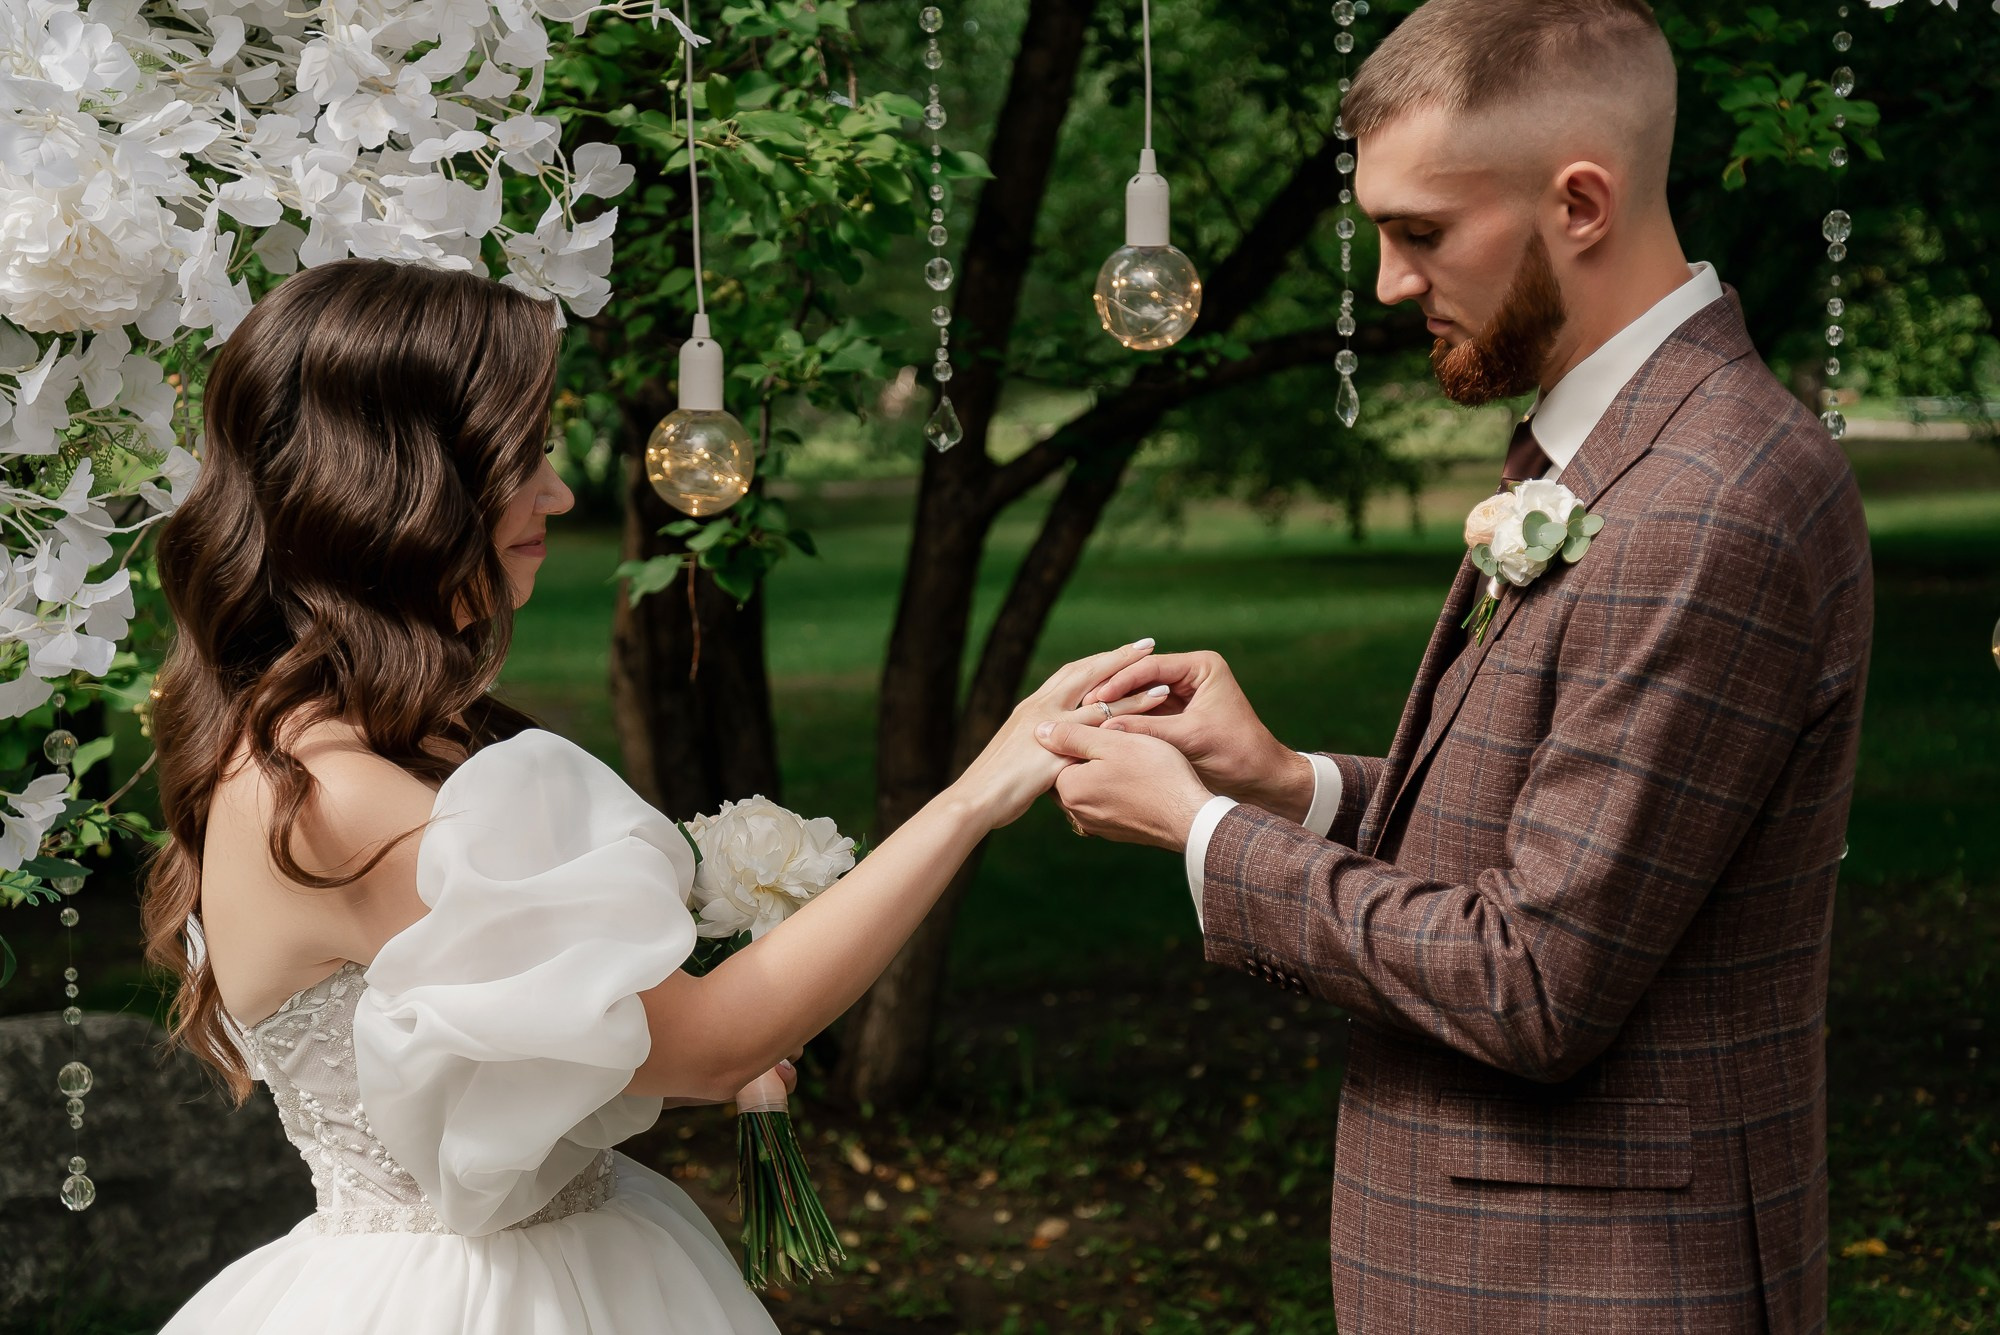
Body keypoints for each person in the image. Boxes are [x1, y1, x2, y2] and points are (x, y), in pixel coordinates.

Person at [1039, 1, 1872, 1332]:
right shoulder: (1612, 453)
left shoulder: (1710, 500)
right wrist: (1282, 781)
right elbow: (1555, 837)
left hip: (1598, 1284)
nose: (1385, 284)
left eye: (1421, 232)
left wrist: (1200, 836)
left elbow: (1531, 980)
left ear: (1581, 201)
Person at [144, 257, 1159, 1333]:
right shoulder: (332, 799)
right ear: (402, 481)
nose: (560, 492)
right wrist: (977, 793)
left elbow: (510, 1065)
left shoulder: (389, 744)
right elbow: (712, 1036)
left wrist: (666, 1059)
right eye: (520, 457)